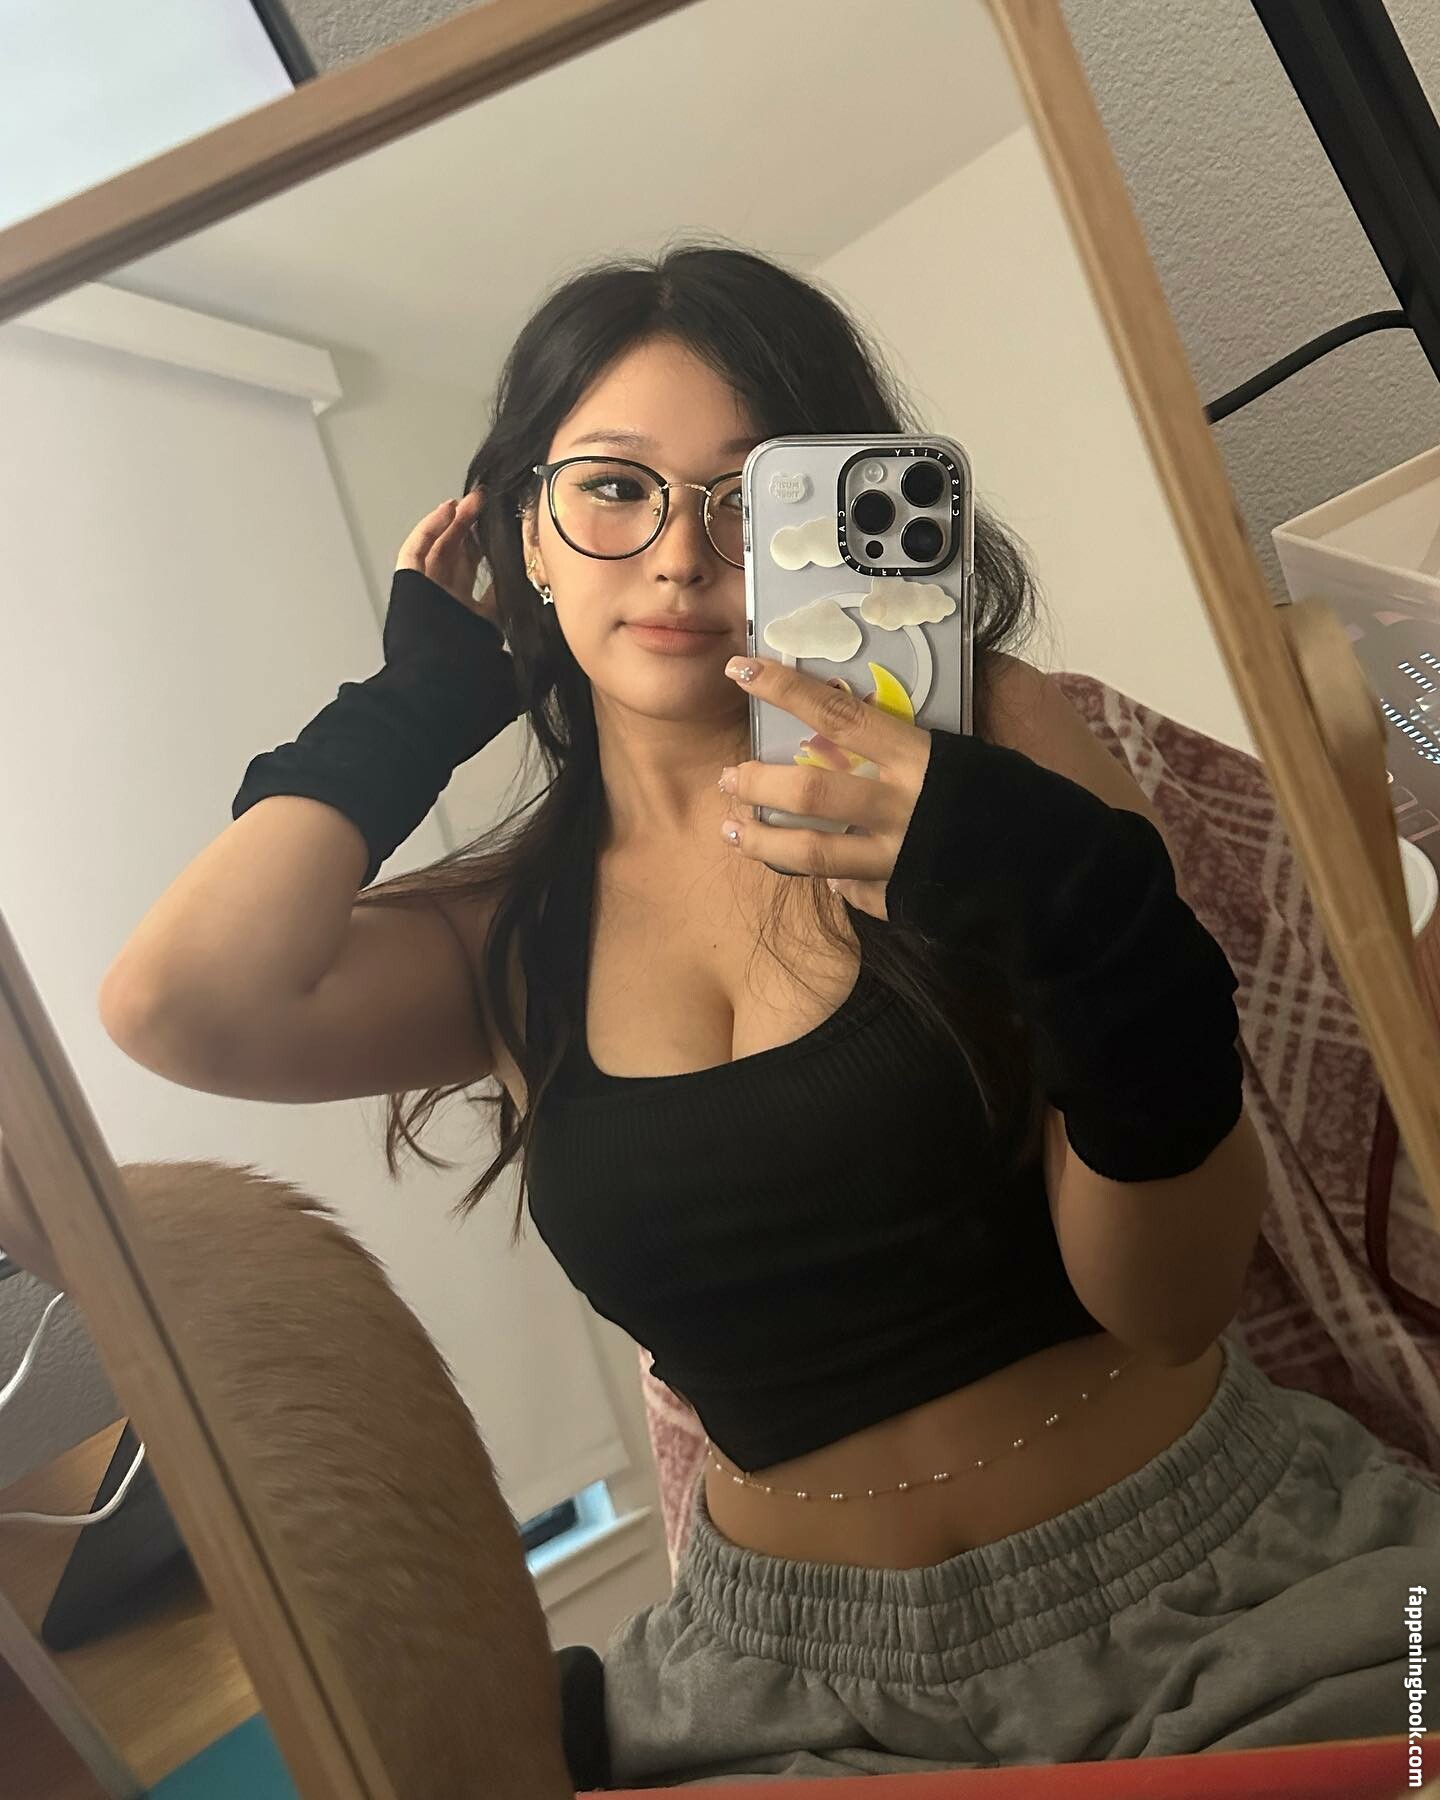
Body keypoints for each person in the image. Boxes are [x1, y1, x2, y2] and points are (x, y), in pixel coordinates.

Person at [92, 241, 1440, 1786]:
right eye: (613, 488)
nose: (681, 555)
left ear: (843, 520)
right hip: (778, 1697)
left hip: (1223, 1596)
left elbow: (1173, 1301)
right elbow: (181, 1006)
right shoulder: (513, 935)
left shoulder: (989, 756)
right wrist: (417, 704)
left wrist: (1102, 936)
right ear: (526, 535)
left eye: (751, 497)